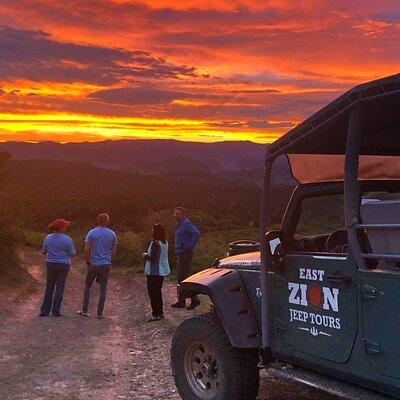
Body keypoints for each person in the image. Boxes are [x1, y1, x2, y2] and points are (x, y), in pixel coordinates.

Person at [77, 213, 117, 319]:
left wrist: (88, 262)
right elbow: (113, 250)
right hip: (106, 264)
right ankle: (100, 313)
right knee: (103, 288)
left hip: (94, 264)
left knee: (88, 286)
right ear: (107, 221)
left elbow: (87, 250)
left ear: (98, 221)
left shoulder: (91, 233)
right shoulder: (112, 234)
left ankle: (85, 310)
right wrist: (109, 260)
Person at [40, 218, 76, 317]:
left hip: (51, 263)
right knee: (60, 287)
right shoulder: (67, 239)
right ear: (62, 228)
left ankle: (45, 311)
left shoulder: (48, 238)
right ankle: (56, 311)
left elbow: (44, 252)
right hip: (63, 265)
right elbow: (72, 253)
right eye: (65, 226)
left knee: (49, 286)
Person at [171, 207, 201, 310]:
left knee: (183, 278)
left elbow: (196, 233)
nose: (175, 215)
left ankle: (194, 300)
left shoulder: (186, 223)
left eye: (177, 214)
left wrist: (189, 246)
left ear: (183, 215)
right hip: (181, 253)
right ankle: (182, 301)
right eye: (174, 214)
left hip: (185, 254)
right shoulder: (180, 224)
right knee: (181, 278)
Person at [142, 223, 171, 322]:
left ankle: (155, 314)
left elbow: (153, 258)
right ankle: (160, 312)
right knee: (158, 292)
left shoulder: (155, 243)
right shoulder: (165, 242)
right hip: (162, 270)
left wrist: (145, 255)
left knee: (152, 293)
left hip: (154, 271)